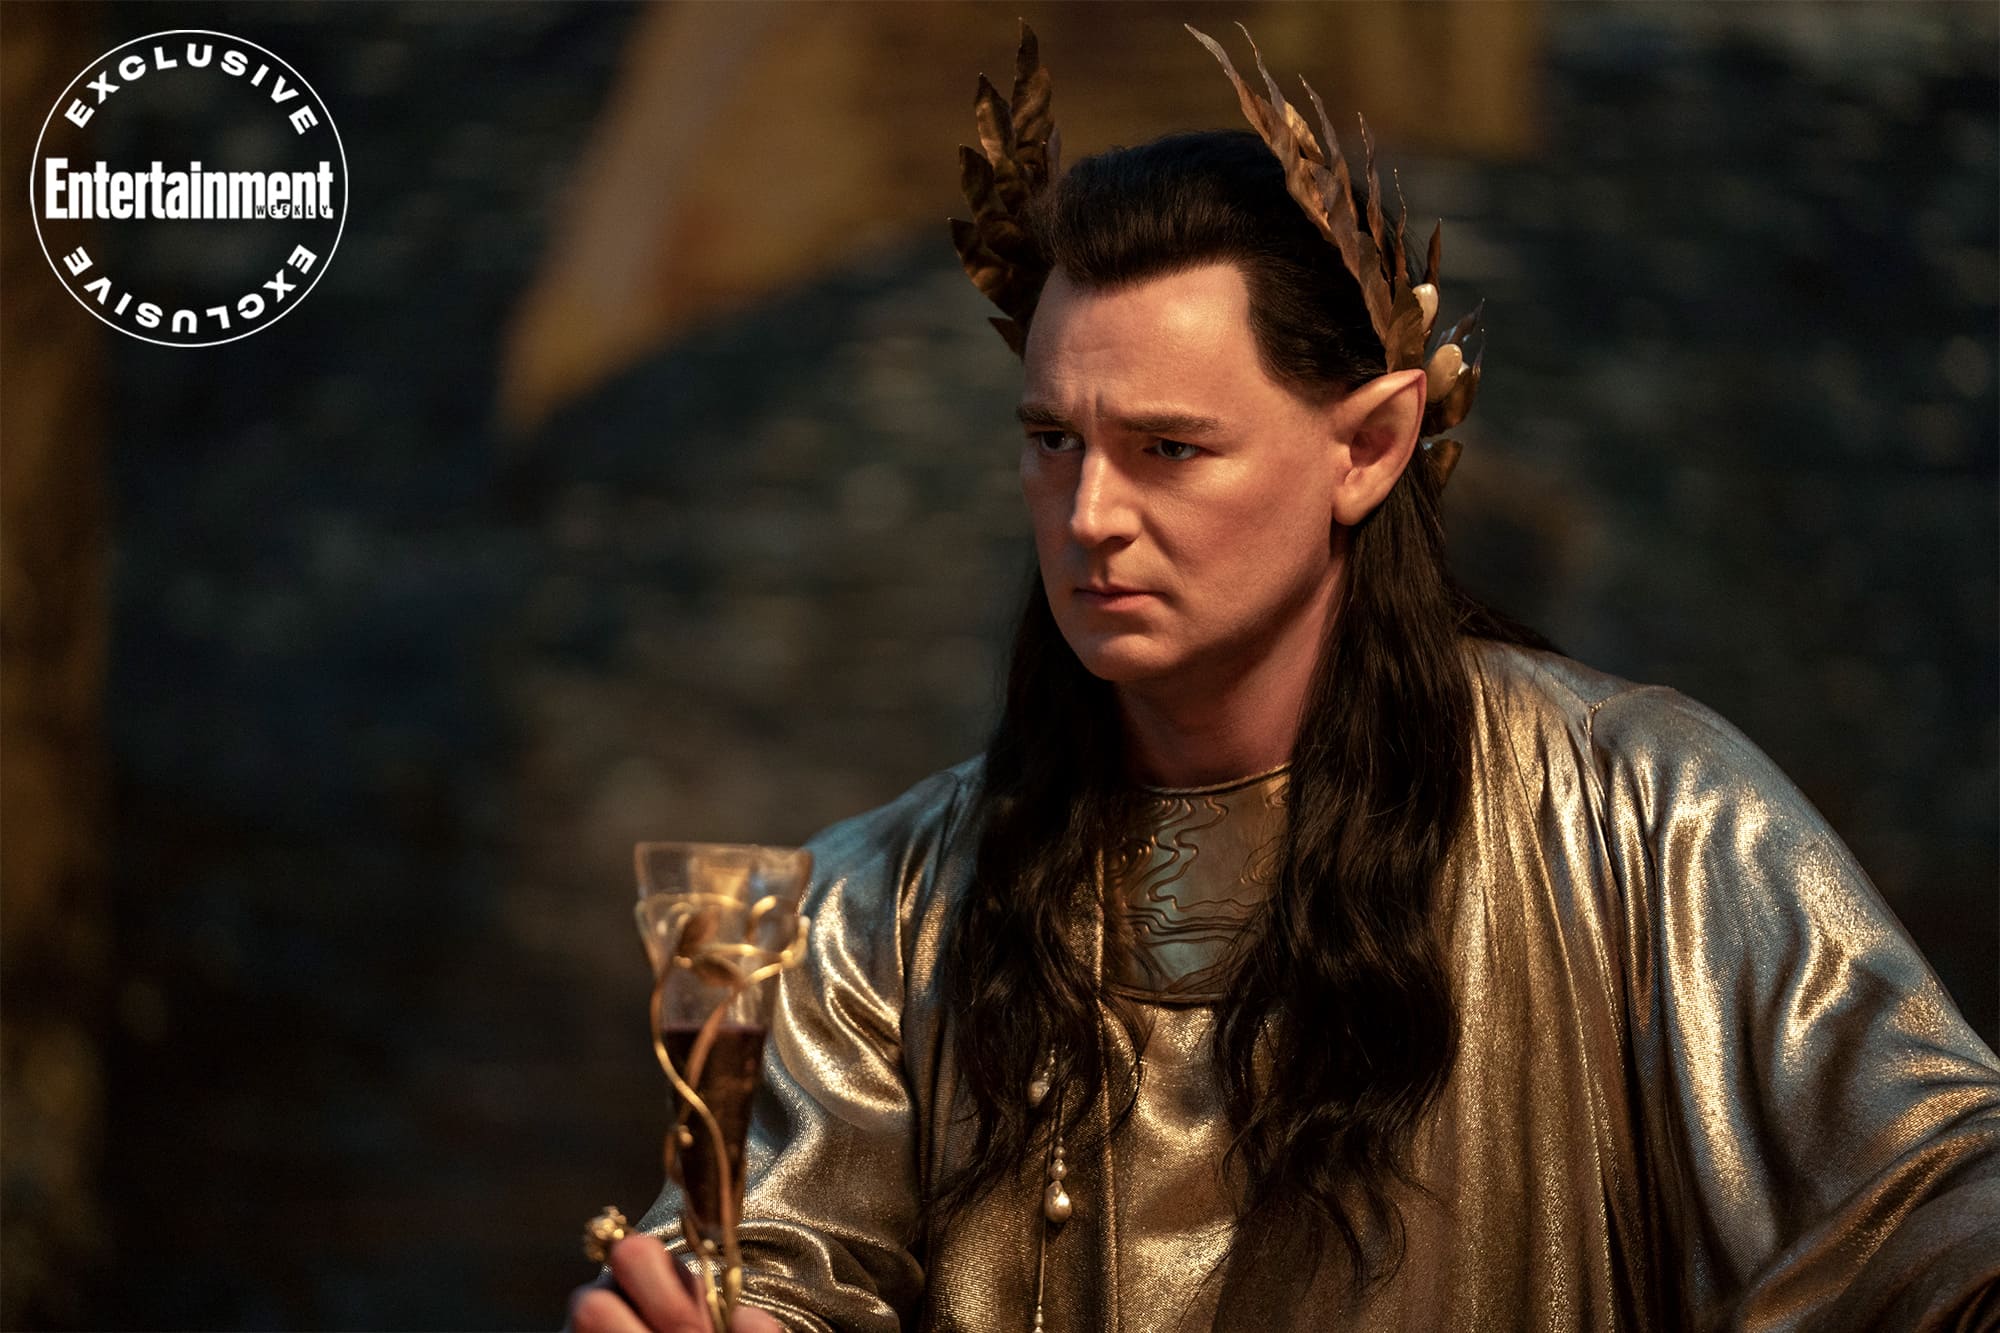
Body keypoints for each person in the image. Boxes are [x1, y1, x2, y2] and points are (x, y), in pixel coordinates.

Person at [569, 25, 2000, 1333]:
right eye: (1055, 441)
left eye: (1168, 449)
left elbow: (1944, 1208)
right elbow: (778, 1267)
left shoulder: (1648, 823)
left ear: (1367, 447)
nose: (1089, 516)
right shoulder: (882, 913)